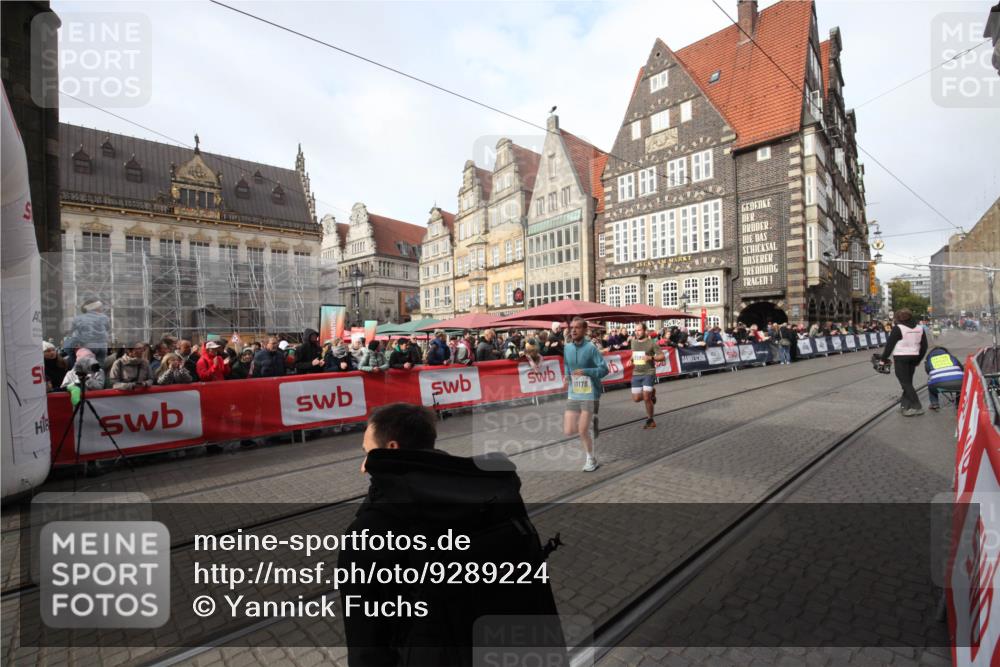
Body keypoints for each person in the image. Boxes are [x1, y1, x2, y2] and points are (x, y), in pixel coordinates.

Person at [563, 317, 609, 472]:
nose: (573, 330)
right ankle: (592, 421)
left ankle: (591, 459)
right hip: (574, 392)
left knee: (582, 429)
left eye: (577, 327)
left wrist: (586, 372)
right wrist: (566, 376)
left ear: (584, 330)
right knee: (569, 430)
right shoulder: (567, 348)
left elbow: (604, 370)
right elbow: (567, 365)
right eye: (572, 328)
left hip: (590, 393)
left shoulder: (591, 348)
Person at [880, 308, 928, 416]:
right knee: (908, 383)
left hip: (901, 357)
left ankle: (917, 406)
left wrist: (883, 359)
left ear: (898, 318)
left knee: (905, 383)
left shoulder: (898, 328)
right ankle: (904, 406)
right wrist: (918, 359)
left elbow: (889, 346)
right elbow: (924, 346)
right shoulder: (920, 328)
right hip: (914, 357)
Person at [627, 322, 665, 429]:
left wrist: (651, 358)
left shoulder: (652, 343)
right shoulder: (633, 342)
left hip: (649, 372)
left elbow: (662, 356)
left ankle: (650, 420)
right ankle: (652, 393)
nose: (637, 332)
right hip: (637, 373)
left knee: (646, 398)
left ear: (645, 331)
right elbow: (633, 354)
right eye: (635, 330)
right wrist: (630, 360)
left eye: (639, 330)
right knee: (636, 398)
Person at [66, 297, 110, 364]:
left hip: (87, 346)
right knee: (99, 366)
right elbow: (107, 329)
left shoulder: (79, 318)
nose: (102, 308)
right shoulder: (104, 317)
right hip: (102, 346)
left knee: (84, 365)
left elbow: (71, 331)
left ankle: (73, 369)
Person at [924, 346, 964, 410]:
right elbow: (962, 369)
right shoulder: (952, 357)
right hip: (959, 382)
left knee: (930, 381)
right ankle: (959, 403)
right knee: (960, 379)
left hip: (938, 384)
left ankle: (934, 403)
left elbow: (928, 372)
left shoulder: (929, 360)